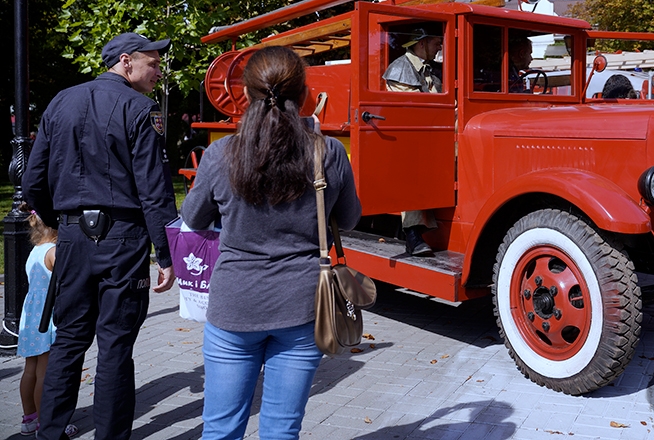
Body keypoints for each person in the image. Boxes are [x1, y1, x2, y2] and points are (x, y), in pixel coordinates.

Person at [181, 46, 362, 438]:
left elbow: (193, 219)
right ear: (304, 95)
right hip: (302, 307)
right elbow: (348, 219)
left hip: (234, 305)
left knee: (220, 429)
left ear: (245, 95)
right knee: (282, 431)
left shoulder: (220, 155)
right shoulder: (328, 152)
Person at [22, 32, 178, 440]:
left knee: (70, 340)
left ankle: (49, 432)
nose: (158, 72)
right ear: (126, 62)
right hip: (123, 239)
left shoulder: (61, 102)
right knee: (114, 347)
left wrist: (58, 225)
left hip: (73, 235)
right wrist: (167, 253)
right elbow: (154, 189)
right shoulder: (142, 109)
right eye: (153, 63)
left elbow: (32, 180)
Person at [17, 208, 78, 438]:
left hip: (31, 314)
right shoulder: (54, 251)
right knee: (46, 371)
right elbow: (68, 279)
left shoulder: (35, 250)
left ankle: (28, 418)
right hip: (47, 315)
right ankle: (47, 423)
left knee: (30, 368)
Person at [382, 27, 442, 255]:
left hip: (430, 137)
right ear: (421, 43)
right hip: (405, 140)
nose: (439, 48)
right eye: (436, 43)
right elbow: (413, 110)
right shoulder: (399, 69)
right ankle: (413, 234)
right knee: (411, 169)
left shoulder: (432, 70)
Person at [383, 27, 443, 93]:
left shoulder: (434, 66)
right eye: (437, 44)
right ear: (422, 44)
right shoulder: (398, 68)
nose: (440, 48)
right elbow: (413, 101)